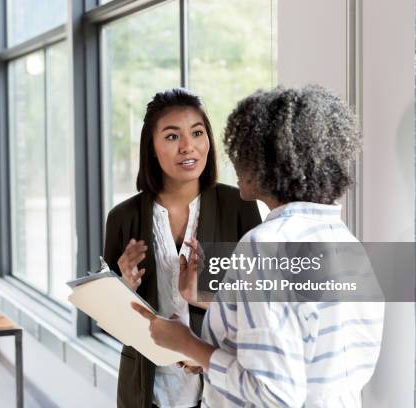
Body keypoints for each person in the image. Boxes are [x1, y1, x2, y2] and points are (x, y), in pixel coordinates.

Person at [133, 85, 385, 407]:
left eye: (243, 151)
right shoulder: (348, 244)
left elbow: (274, 395)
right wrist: (209, 312)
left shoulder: (263, 247)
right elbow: (305, 349)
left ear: (269, 162)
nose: (234, 161)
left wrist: (186, 343)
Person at [103, 88, 261, 408]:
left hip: (220, 385)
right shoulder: (123, 218)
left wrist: (202, 299)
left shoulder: (238, 207)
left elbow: (258, 304)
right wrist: (124, 289)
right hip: (149, 390)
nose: (188, 146)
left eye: (197, 133)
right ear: (152, 148)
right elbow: (110, 321)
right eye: (172, 136)